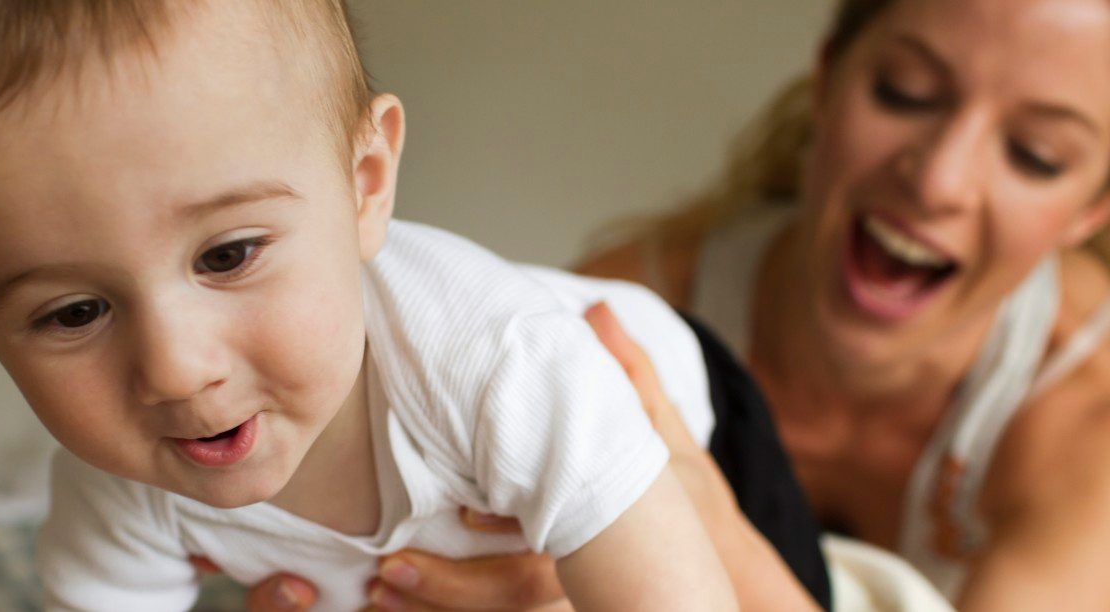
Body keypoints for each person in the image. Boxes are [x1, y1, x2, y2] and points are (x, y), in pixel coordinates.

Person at [0, 0, 740, 610]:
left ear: (365, 185)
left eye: (227, 256)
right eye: (74, 313)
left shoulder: (496, 364)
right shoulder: (120, 483)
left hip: (678, 443)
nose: (175, 369)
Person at [241, 0, 1110, 610]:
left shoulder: (1091, 427)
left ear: (1091, 210)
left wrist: (698, 537)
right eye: (906, 93)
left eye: (1035, 154)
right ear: (829, 74)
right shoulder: (621, 317)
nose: (941, 176)